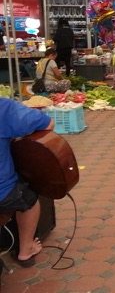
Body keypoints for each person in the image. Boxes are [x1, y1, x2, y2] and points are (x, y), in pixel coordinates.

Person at [0, 98, 54, 267]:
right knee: (29, 200)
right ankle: (26, 251)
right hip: (3, 192)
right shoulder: (4, 107)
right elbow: (48, 124)